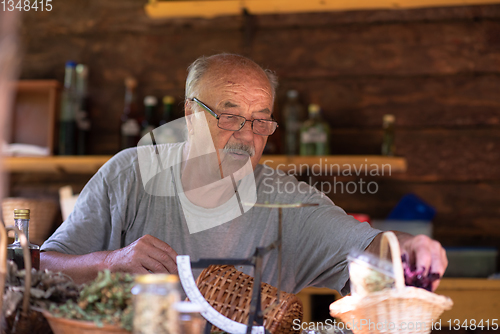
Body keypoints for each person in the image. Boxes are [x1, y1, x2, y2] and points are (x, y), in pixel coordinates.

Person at [41, 53, 447, 294]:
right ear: (190, 113)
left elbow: (374, 250)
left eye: (260, 121)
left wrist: (410, 249)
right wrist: (113, 261)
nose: (246, 136)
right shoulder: (130, 172)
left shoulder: (289, 203)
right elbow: (40, 266)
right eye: (230, 116)